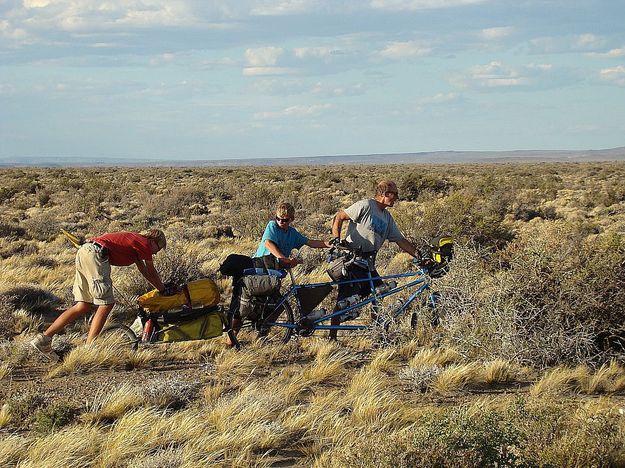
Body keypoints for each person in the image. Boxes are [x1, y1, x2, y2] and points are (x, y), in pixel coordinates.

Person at [30, 229, 167, 360]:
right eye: (158, 248)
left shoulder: (137, 244)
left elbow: (144, 272)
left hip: (85, 251)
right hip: (96, 254)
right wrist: (163, 290)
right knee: (107, 304)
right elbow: (152, 271)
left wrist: (159, 288)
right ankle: (90, 349)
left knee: (83, 305)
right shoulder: (144, 243)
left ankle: (44, 339)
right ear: (153, 240)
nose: (155, 253)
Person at [226, 203, 331, 346]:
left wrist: (330, 244)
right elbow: (268, 243)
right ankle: (230, 340)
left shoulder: (292, 233)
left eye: (285, 220)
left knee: (278, 305)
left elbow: (310, 242)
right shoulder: (272, 226)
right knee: (245, 304)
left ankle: (262, 335)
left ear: (292, 219)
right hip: (260, 271)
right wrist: (284, 259)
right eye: (279, 219)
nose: (281, 222)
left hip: (274, 276)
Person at [328, 180, 417, 340]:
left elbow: (400, 241)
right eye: (395, 194)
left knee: (378, 293)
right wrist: (336, 239)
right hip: (352, 261)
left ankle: (377, 334)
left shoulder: (387, 218)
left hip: (368, 265)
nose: (397, 197)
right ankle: (332, 338)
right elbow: (339, 217)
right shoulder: (366, 205)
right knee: (344, 299)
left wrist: (420, 255)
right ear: (385, 194)